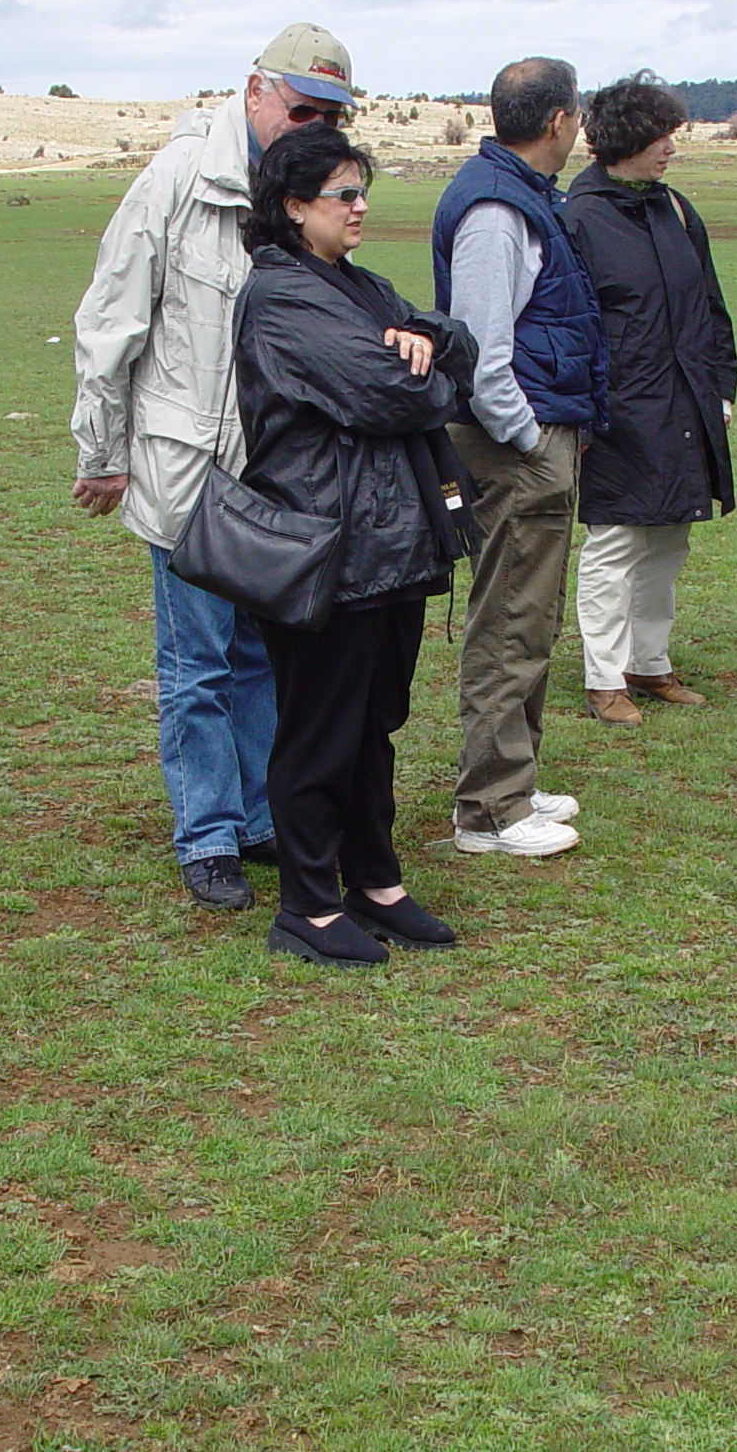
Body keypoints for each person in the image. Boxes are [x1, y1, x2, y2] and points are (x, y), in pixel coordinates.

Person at [69, 24, 355, 911]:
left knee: (261, 653)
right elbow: (112, 323)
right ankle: (206, 834)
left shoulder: (305, 192)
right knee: (195, 658)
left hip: (276, 471)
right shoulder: (180, 179)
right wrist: (104, 452)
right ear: (255, 89)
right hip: (185, 464)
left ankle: (263, 818)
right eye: (301, 109)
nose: (312, 128)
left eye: (330, 117)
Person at [231, 126, 480, 967]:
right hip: (326, 546)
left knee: (377, 722)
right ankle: (304, 902)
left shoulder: (359, 287)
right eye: (344, 193)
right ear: (296, 207)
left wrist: (429, 347)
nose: (361, 206)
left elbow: (458, 346)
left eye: (361, 189)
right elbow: (387, 396)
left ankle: (374, 881)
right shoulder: (282, 298)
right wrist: (420, 365)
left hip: (394, 545)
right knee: (320, 729)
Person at [432, 58, 606, 855]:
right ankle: (489, 811)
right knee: (508, 619)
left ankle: (515, 781)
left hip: (529, 438)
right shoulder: (499, 212)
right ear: (558, 121)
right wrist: (531, 439)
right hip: (513, 445)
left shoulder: (522, 198)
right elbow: (479, 349)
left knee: (529, 616)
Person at [561, 74, 737, 726]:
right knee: (615, 544)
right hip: (617, 413)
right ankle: (604, 679)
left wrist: (723, 390)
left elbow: (710, 309)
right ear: (625, 139)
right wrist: (585, 415)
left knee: (669, 539)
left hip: (687, 403)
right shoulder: (577, 218)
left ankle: (649, 664)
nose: (671, 148)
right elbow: (572, 328)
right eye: (660, 136)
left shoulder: (676, 210)